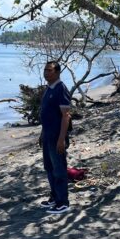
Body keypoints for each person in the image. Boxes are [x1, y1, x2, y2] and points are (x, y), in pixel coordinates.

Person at [38, 61, 72, 214]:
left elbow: (66, 116)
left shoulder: (60, 89)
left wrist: (61, 139)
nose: (46, 73)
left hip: (57, 136)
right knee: (49, 168)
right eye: (45, 70)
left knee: (59, 169)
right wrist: (42, 134)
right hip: (47, 135)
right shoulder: (48, 89)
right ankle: (54, 197)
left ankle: (63, 202)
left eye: (50, 70)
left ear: (57, 72)